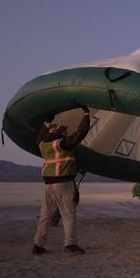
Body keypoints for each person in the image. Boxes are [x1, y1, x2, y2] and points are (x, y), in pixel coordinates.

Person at [32, 106, 91, 255]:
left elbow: (40, 137)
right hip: (64, 184)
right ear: (58, 134)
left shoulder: (43, 146)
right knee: (68, 214)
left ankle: (38, 245)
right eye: (63, 132)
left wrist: (46, 123)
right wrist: (86, 115)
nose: (66, 133)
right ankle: (70, 244)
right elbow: (80, 134)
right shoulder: (62, 144)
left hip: (49, 186)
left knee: (45, 215)